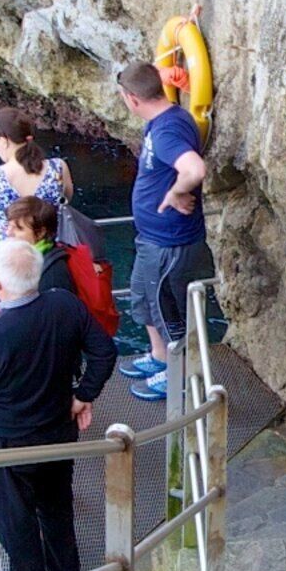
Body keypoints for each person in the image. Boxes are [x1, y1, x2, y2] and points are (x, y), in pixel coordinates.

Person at [0, 235, 112, 571]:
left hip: (7, 443)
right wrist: (82, 395)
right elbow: (104, 352)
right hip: (58, 430)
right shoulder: (65, 305)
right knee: (56, 505)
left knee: (15, 519)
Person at [118, 57, 207, 400]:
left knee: (167, 310)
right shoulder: (165, 120)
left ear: (133, 99)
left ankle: (178, 377)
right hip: (152, 238)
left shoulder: (168, 129)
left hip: (169, 241)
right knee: (143, 297)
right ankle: (158, 357)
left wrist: (175, 193)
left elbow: (194, 169)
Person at [0, 193, 116, 339]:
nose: (8, 233)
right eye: (8, 226)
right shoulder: (24, 255)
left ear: (40, 232)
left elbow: (54, 329)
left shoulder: (55, 276)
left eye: (18, 228)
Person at [0, 107, 73, 228]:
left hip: (9, 245)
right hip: (52, 245)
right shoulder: (58, 167)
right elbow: (66, 198)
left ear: (3, 141)